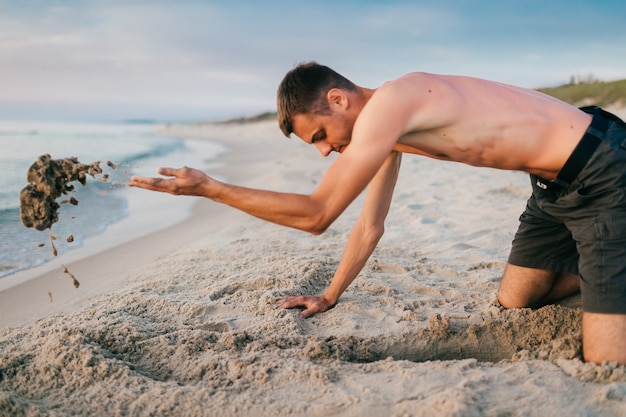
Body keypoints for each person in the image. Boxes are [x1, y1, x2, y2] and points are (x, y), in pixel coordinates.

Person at [129, 62, 626, 364]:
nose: (323, 151)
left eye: (319, 136)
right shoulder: (385, 129)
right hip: (552, 188)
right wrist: (329, 295)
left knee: (605, 358)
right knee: (518, 302)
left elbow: (318, 214)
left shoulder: (394, 102)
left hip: (602, 169)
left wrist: (212, 188)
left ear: (338, 99)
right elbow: (370, 224)